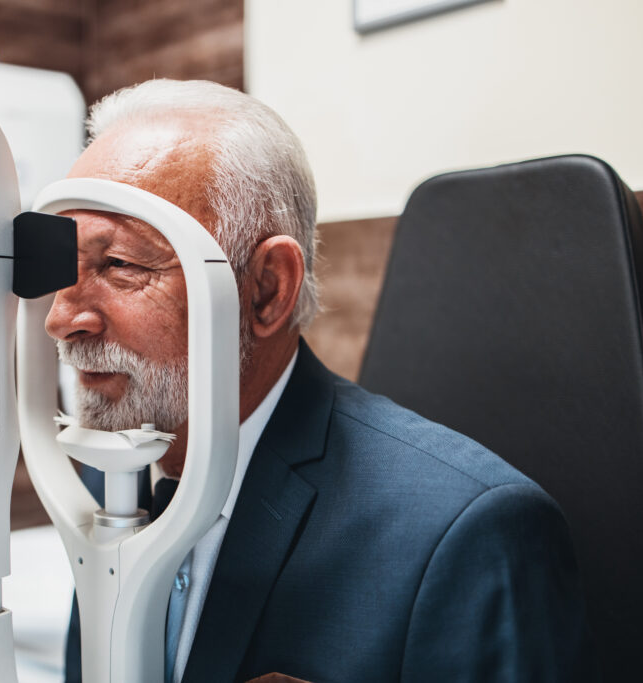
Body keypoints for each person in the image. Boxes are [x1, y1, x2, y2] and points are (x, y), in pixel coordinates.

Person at [48, 79, 597, 683]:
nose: (62, 319)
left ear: (266, 290)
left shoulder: (468, 538)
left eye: (120, 264)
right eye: (63, 272)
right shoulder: (111, 480)